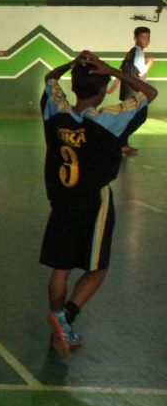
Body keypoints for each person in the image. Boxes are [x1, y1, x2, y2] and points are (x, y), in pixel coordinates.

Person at [40, 50, 155, 358]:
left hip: (60, 199)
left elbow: (50, 79)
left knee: (60, 267)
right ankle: (65, 320)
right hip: (93, 202)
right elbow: (149, 93)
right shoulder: (108, 121)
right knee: (98, 268)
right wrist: (114, 71)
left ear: (75, 85)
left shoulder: (57, 112)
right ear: (103, 89)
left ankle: (56, 319)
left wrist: (72, 64)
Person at [108, 26, 154, 155]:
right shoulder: (138, 52)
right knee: (140, 117)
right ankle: (120, 142)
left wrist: (113, 87)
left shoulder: (131, 52)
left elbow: (121, 70)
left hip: (127, 91)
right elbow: (140, 74)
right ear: (135, 38)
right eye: (143, 37)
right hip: (135, 92)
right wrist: (150, 62)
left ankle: (123, 143)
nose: (146, 40)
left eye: (148, 37)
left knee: (129, 118)